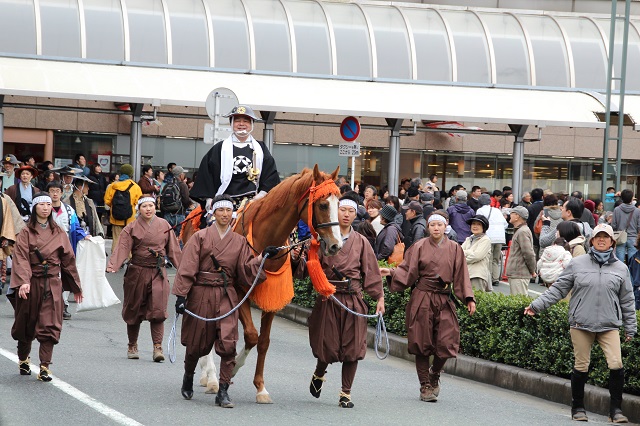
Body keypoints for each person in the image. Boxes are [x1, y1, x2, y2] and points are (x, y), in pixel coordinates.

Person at [524, 224, 636, 423]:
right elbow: (558, 289)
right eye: (598, 237)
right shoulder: (577, 263)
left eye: (606, 237)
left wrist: (630, 327)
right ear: (591, 240)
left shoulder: (621, 267)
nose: (602, 240)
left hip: (609, 325)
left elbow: (627, 300)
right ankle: (578, 408)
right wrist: (536, 306)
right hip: (580, 323)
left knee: (616, 364)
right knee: (581, 365)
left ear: (612, 242)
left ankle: (615, 411)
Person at [172, 194, 269, 407]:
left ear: (233, 214)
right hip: (201, 295)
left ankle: (223, 390)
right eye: (220, 210)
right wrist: (181, 296)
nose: (225, 214)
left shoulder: (240, 242)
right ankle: (188, 376)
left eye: (228, 211)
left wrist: (262, 259)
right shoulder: (200, 237)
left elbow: (245, 271)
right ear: (213, 213)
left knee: (228, 342)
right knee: (197, 344)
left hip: (226, 295)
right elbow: (187, 267)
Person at [299, 192, 384, 408]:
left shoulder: (362, 242)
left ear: (356, 215)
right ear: (336, 211)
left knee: (353, 347)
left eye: (351, 211)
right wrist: (298, 256)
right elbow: (306, 268)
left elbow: (371, 273)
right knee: (327, 344)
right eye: (343, 210)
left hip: (354, 299)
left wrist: (379, 298)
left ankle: (345, 393)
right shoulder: (322, 239)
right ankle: (319, 373)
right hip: (329, 298)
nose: (346, 214)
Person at [380, 212, 475, 402]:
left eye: (440, 225)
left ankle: (435, 373)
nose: (436, 228)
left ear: (445, 226)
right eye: (433, 225)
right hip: (422, 298)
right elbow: (407, 270)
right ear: (428, 227)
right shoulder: (419, 246)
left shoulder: (455, 248)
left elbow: (462, 275)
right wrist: (391, 272)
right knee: (421, 342)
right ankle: (425, 385)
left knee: (447, 341)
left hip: (443, 299)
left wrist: (468, 298)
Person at [10, 193, 83, 382]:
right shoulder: (26, 232)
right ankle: (24, 359)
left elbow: (68, 260)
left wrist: (76, 286)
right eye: (41, 204)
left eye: (48, 204)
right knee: (26, 323)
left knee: (50, 325)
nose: (45, 207)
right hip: (31, 282)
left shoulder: (58, 232)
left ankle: (44, 366)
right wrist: (23, 281)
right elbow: (21, 258)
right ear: (35, 208)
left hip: (52, 282)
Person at [106, 197, 182, 362]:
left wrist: (183, 268)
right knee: (133, 309)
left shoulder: (164, 225)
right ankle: (132, 345)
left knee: (158, 309)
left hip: (158, 272)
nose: (148, 209)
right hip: (137, 272)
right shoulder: (131, 227)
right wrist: (114, 264)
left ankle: (157, 347)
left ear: (156, 207)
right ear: (139, 209)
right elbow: (123, 247)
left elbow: (174, 249)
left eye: (151, 206)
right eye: (145, 206)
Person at [189, 105, 280, 214]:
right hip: (224, 202)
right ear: (231, 123)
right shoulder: (220, 148)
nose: (241, 124)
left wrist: (261, 196)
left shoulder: (261, 148)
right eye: (237, 121)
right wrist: (209, 199)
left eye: (246, 121)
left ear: (251, 124)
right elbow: (206, 174)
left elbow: (270, 175)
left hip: (253, 202)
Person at [47, 181, 89, 320]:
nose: (54, 193)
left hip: (65, 246)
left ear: (61, 193)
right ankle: (49, 304)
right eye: (51, 191)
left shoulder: (69, 210)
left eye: (57, 191)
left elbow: (76, 227)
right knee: (51, 275)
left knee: (65, 275)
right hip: (46, 248)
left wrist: (84, 235)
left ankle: (63, 305)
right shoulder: (43, 208)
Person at [104, 164, 142, 254]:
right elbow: (139, 202)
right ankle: (129, 260)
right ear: (131, 174)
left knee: (116, 240)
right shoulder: (135, 187)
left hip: (115, 218)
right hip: (130, 218)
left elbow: (107, 201)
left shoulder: (112, 186)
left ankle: (115, 261)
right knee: (129, 240)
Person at [476, 194, 507, 286]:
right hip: (500, 237)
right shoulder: (497, 210)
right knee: (496, 259)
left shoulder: (480, 210)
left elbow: (478, 223)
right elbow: (505, 224)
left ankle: (488, 279)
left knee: (488, 258)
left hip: (488, 237)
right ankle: (496, 279)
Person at [505, 206, 536, 295]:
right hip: (518, 273)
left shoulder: (522, 231)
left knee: (518, 303)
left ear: (517, 216)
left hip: (519, 274)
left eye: (512, 213)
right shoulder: (521, 230)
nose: (509, 215)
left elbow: (528, 253)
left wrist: (532, 270)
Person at [461, 215, 492, 292]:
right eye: (473, 224)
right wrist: (470, 252)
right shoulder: (469, 238)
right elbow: (458, 252)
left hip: (477, 275)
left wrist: (463, 257)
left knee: (476, 300)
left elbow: (477, 256)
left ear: (484, 227)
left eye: (478, 224)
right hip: (466, 274)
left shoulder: (485, 240)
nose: (475, 226)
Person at [161, 165, 191, 237]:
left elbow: (162, 199)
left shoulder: (167, 185)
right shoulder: (182, 185)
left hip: (167, 215)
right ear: (181, 175)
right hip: (179, 215)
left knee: (168, 238)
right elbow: (186, 200)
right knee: (179, 238)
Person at [612, 189, 640, 263]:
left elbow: (613, 225)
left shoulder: (617, 210)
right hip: (633, 237)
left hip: (620, 237)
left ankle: (621, 274)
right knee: (633, 262)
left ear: (621, 198)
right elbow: (639, 226)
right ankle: (631, 274)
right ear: (631, 199)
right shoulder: (637, 211)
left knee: (619, 262)